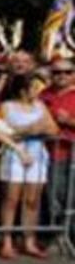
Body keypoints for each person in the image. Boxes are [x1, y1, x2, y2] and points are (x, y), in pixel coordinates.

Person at [0, 72, 59, 259]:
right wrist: (30, 129)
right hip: (15, 153)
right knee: (11, 199)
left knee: (32, 200)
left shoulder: (40, 106)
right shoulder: (7, 107)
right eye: (34, 87)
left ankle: (29, 240)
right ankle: (6, 241)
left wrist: (34, 129)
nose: (38, 91)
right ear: (22, 90)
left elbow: (52, 128)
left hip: (36, 152)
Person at [40, 58, 75, 244]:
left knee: (71, 196)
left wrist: (69, 122)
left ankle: (69, 235)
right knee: (54, 195)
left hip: (72, 152)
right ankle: (58, 235)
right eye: (57, 72)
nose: (62, 76)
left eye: (67, 72)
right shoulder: (44, 95)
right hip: (51, 153)